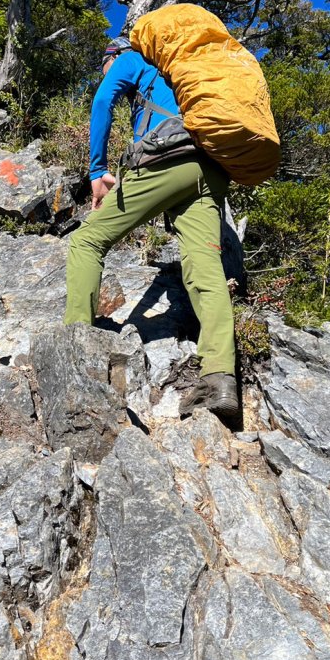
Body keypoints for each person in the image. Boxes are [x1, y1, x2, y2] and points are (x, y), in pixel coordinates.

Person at [63, 37, 239, 417]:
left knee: (87, 243)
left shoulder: (128, 59)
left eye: (102, 66)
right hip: (210, 169)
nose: (104, 72)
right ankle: (219, 378)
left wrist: (97, 169)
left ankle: (73, 347)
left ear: (111, 56)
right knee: (206, 269)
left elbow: (102, 102)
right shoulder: (178, 75)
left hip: (168, 160)